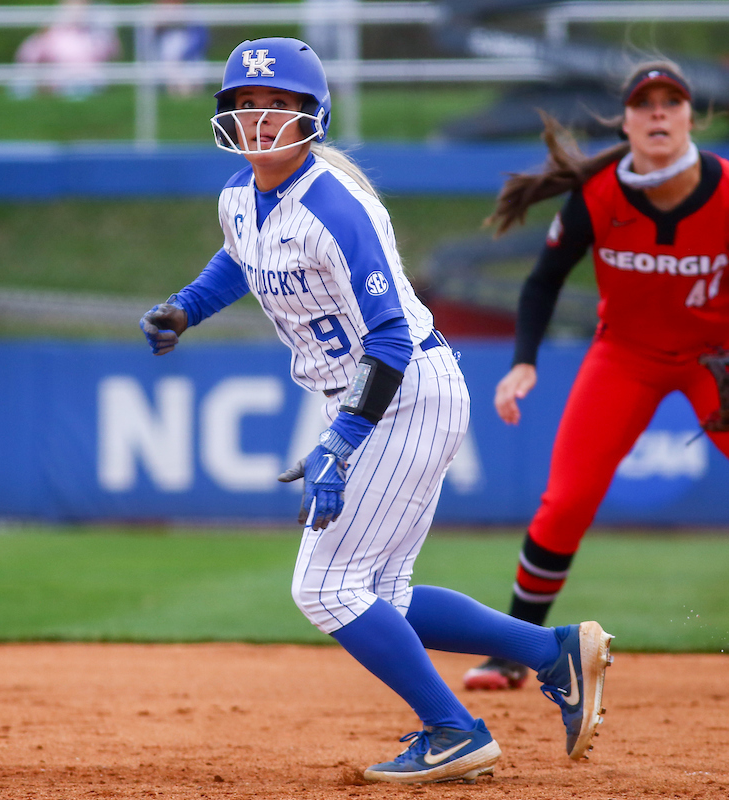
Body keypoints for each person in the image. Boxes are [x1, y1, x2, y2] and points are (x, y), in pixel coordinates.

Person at [139, 37, 615, 784]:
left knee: (323, 589)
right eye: (247, 103)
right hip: (377, 394)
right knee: (381, 595)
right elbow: (241, 255)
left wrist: (341, 441)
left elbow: (389, 337)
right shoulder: (239, 195)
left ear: (314, 115)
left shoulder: (334, 206)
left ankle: (454, 730)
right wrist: (187, 307)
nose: (261, 117)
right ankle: (552, 653)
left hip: (402, 390)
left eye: (279, 103)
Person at [462, 61, 729, 696]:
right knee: (566, 502)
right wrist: (524, 360)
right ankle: (514, 650)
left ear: (691, 117)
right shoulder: (599, 194)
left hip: (723, 354)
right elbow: (543, 281)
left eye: (671, 101)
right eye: (644, 103)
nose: (658, 111)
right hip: (626, 356)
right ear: (626, 122)